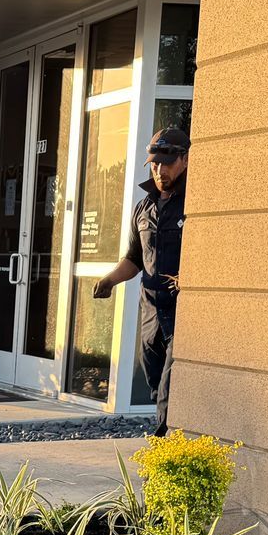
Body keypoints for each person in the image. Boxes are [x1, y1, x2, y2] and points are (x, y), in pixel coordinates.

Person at [93, 127, 189, 436]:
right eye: (155, 164)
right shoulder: (143, 207)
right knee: (154, 381)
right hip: (150, 311)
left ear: (185, 160)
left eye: (167, 163)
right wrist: (110, 279)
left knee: (169, 388)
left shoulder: (195, 204)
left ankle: (163, 449)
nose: (160, 170)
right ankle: (167, 440)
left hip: (182, 314)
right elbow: (135, 258)